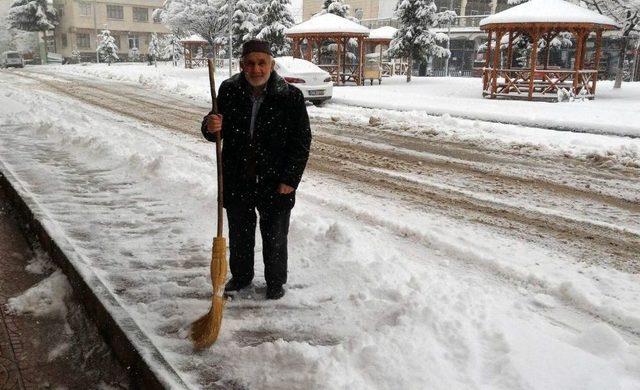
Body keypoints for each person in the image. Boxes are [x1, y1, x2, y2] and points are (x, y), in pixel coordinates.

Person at [201, 39, 311, 300]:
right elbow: (214, 129)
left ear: (271, 64)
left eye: (262, 63)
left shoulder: (290, 96)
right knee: (240, 231)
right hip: (238, 176)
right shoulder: (229, 90)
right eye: (250, 63)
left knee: (274, 233)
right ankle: (241, 276)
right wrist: (210, 125)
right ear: (242, 65)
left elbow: (302, 141)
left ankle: (275, 281)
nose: (256, 69)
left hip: (276, 178)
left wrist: (290, 178)